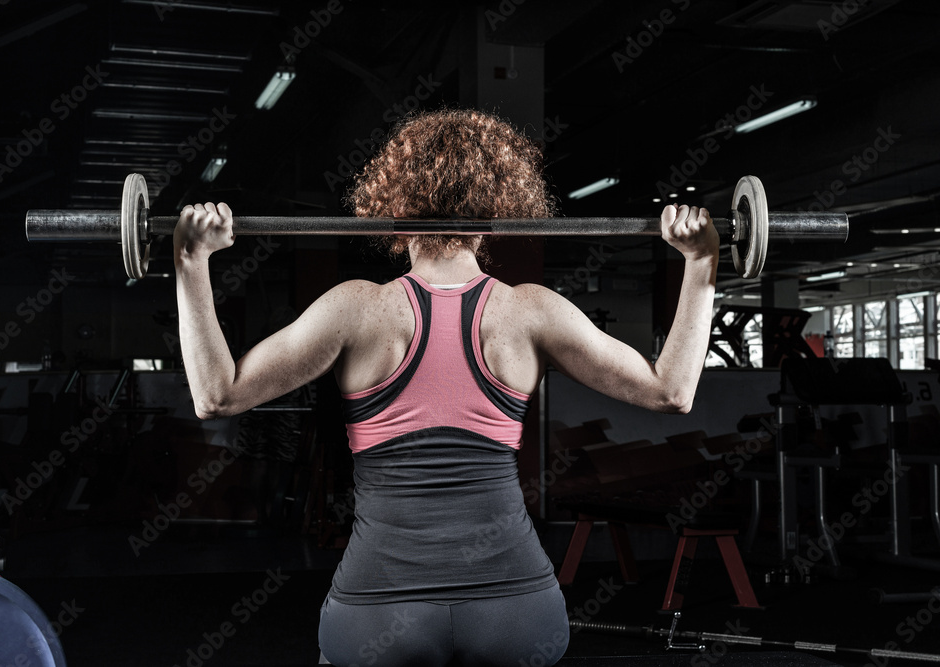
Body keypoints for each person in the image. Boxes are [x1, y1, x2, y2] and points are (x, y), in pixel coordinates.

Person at [173, 108, 719, 667]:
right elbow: (671, 391)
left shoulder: (354, 308)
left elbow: (216, 396)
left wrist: (193, 262)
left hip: (377, 612)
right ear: (493, 218)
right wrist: (700, 264)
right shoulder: (531, 311)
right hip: (516, 610)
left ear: (393, 212)